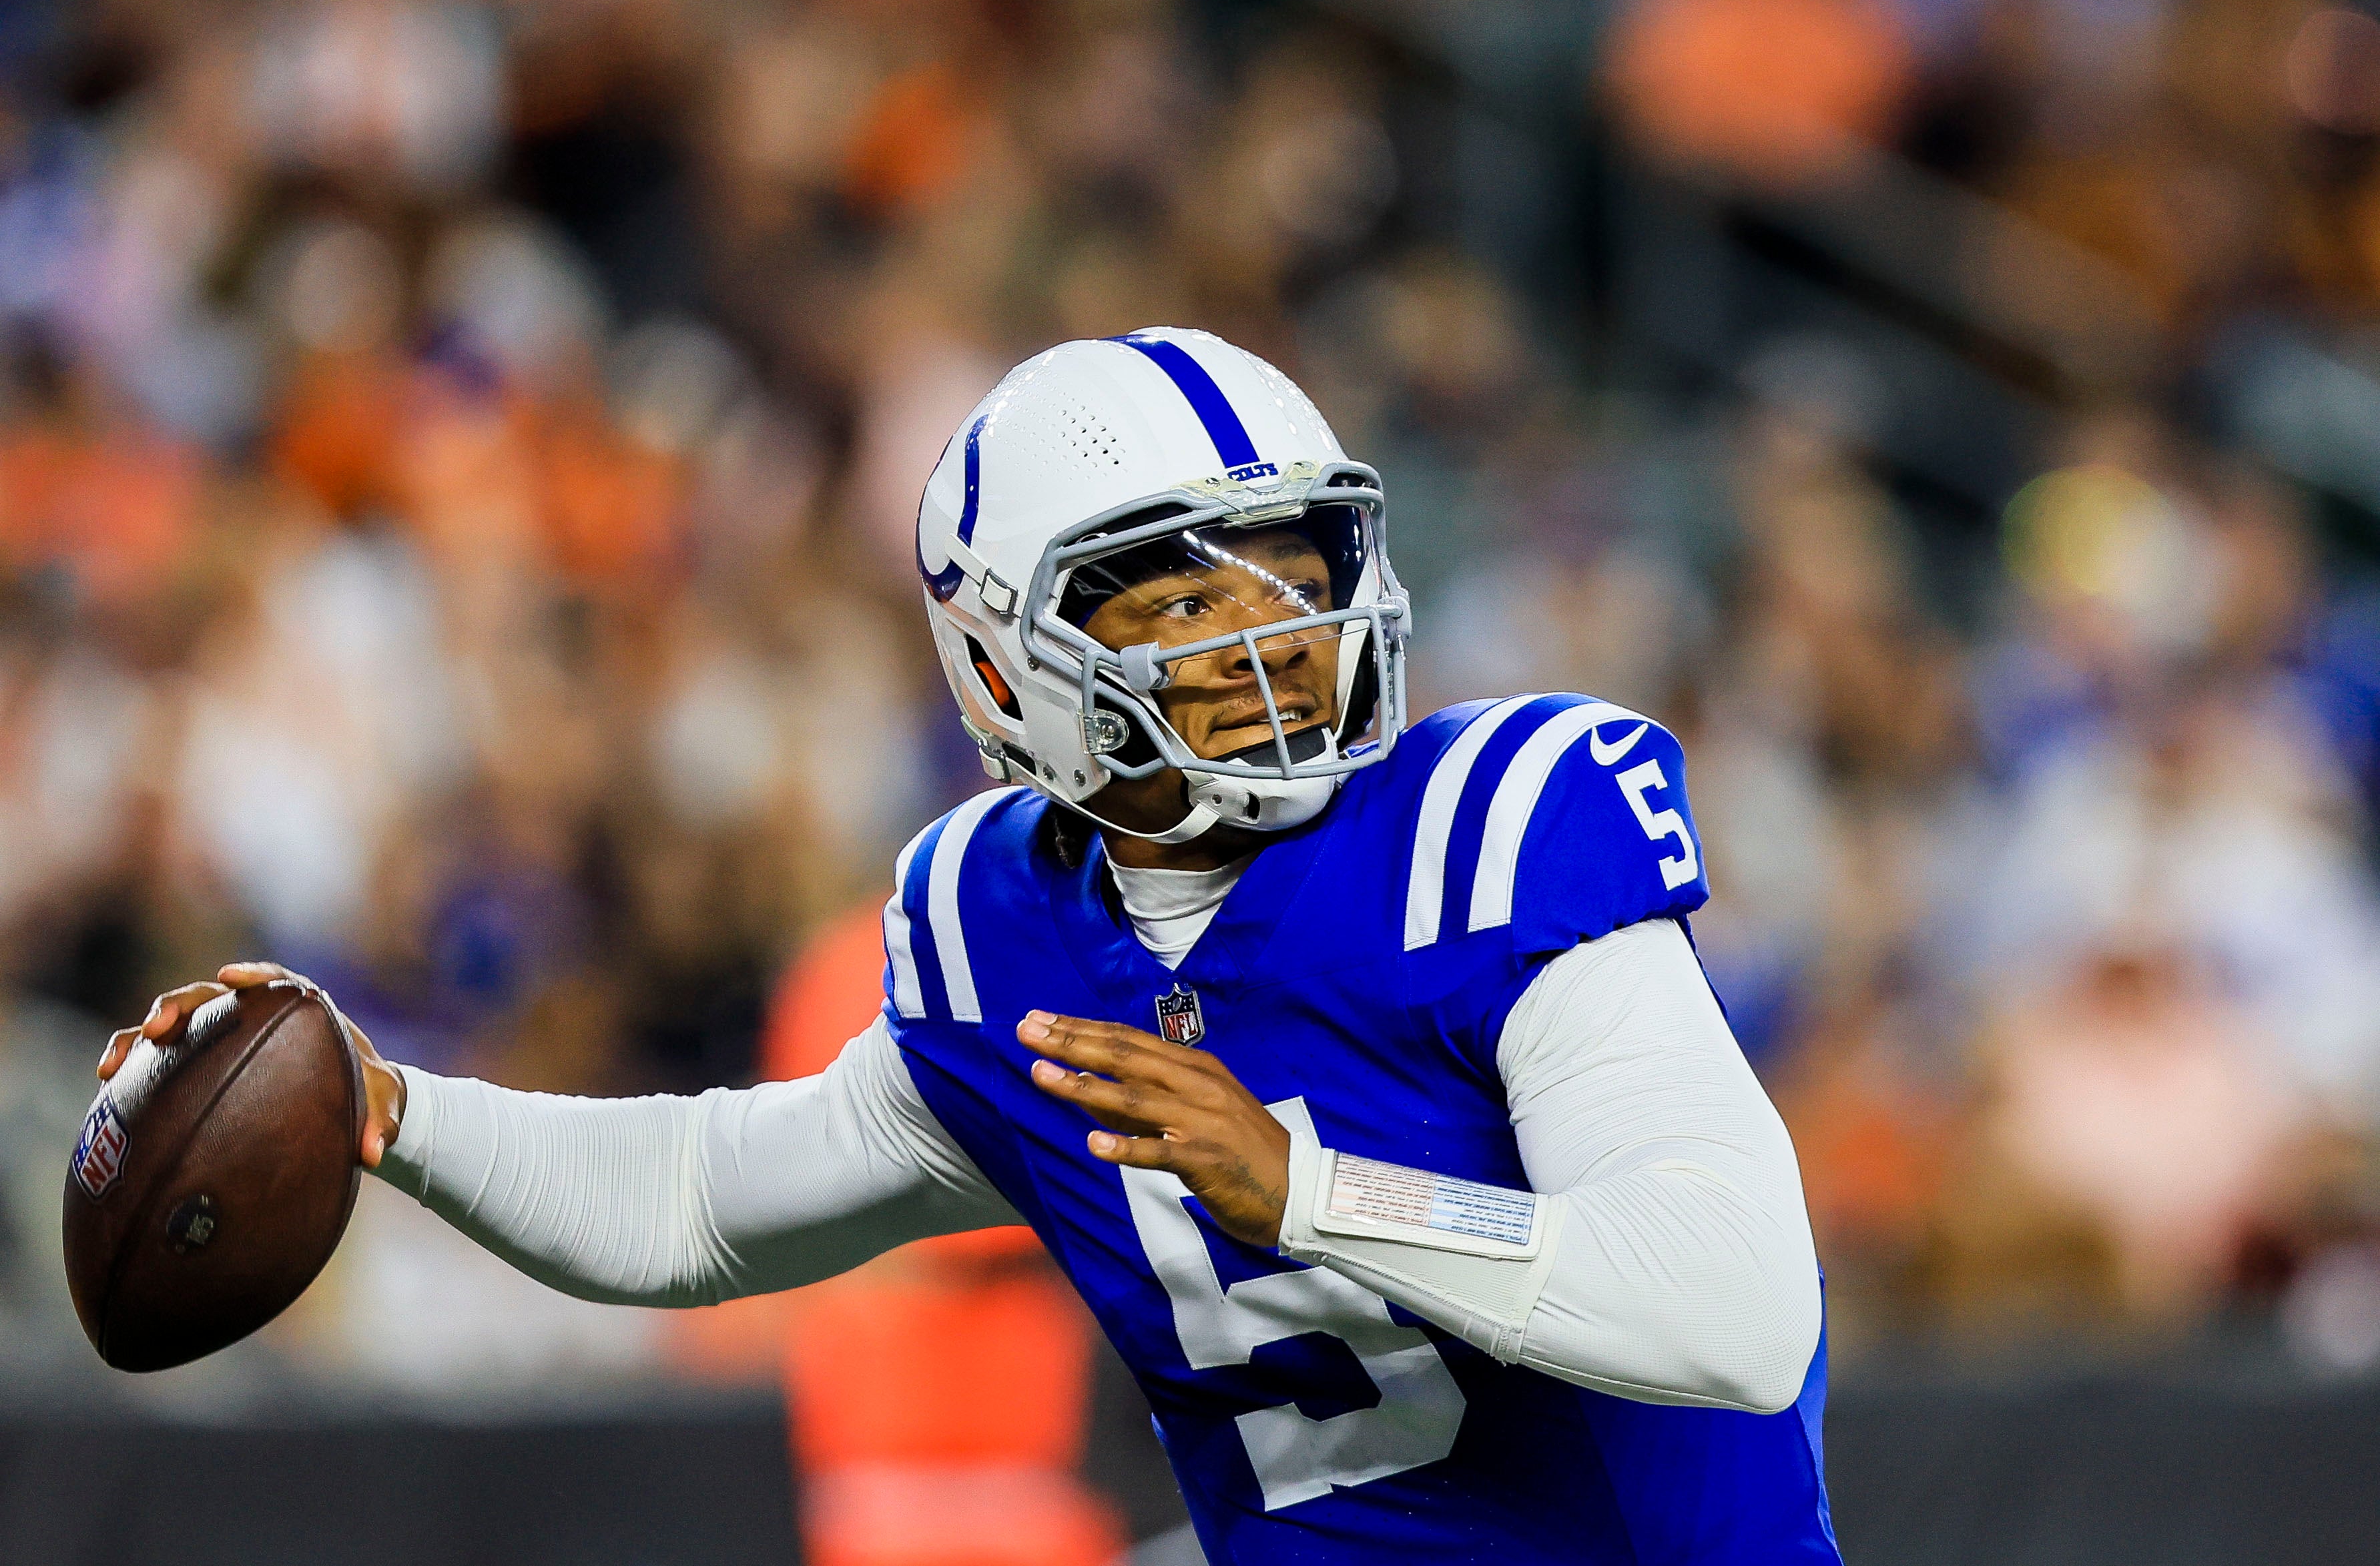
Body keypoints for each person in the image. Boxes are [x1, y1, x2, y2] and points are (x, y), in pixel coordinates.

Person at [107, 328, 1835, 1563]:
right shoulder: (996, 931)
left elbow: (1735, 1305)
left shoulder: (1505, 824)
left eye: (1294, 566)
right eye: (1178, 592)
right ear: (1008, 665)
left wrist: (1315, 1197)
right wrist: (389, 1112)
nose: (1270, 630)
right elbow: (706, 1195)